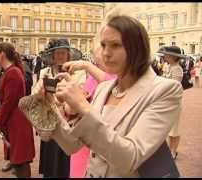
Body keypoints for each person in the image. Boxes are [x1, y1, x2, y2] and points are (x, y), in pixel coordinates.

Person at [33, 15, 182, 177]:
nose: (106, 53)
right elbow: (72, 144)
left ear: (137, 48)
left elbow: (130, 157)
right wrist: (44, 105)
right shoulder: (104, 89)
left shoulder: (165, 89)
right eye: (103, 45)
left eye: (115, 45)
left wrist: (82, 106)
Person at [33, 38, 86, 178]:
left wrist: (61, 101)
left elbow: (81, 98)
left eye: (64, 53)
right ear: (52, 55)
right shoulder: (44, 72)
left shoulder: (78, 74)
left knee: (65, 164)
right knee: (51, 163)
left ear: (69, 55)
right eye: (58, 53)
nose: (61, 56)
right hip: (50, 122)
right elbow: (35, 96)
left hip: (69, 126)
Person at [64, 47, 115, 178]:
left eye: (98, 63)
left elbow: (111, 83)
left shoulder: (115, 79)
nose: (95, 65)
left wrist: (86, 66)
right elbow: (73, 109)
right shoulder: (92, 78)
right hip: (83, 140)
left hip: (99, 141)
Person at [0, 42, 35, 178]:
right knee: (18, 161)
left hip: (17, 121)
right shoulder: (12, 71)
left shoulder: (13, 73)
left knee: (21, 161)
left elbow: (8, 102)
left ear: (2, 55)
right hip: (15, 120)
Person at [159, 46, 184, 160]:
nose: (165, 56)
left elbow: (175, 86)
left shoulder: (177, 69)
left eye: (167, 55)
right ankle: (170, 149)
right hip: (167, 101)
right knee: (169, 128)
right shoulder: (168, 66)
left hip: (174, 101)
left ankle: (173, 151)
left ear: (173, 57)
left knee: (175, 128)